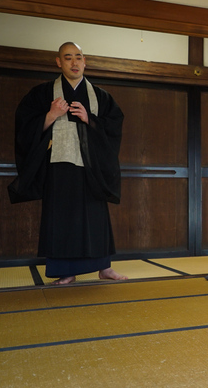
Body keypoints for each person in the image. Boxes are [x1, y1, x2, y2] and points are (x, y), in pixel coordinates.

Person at [9, 42, 126, 285]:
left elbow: (113, 127)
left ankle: (104, 267)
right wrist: (50, 115)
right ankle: (66, 271)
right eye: (68, 57)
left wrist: (89, 119)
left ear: (85, 62)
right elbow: (24, 127)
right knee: (60, 218)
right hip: (58, 165)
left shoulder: (101, 97)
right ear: (58, 62)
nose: (74, 62)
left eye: (78, 57)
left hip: (91, 166)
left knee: (96, 216)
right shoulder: (42, 94)